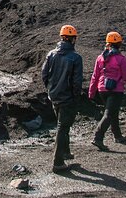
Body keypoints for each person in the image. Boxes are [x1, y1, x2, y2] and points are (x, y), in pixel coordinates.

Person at [41, 24, 84, 173]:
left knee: (62, 125)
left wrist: (50, 89)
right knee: (63, 127)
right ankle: (58, 162)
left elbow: (44, 75)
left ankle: (65, 153)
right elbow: (77, 82)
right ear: (72, 39)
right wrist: (76, 97)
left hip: (54, 96)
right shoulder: (76, 58)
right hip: (67, 97)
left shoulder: (51, 54)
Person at [88, 31, 126, 151]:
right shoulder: (120, 59)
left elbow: (95, 76)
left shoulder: (100, 58)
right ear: (119, 44)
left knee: (113, 112)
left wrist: (91, 91)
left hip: (102, 90)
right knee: (109, 114)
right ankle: (98, 137)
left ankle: (118, 136)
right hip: (115, 90)